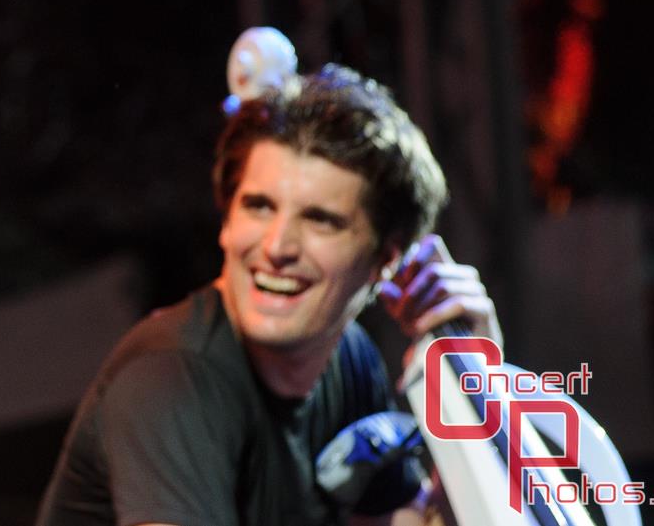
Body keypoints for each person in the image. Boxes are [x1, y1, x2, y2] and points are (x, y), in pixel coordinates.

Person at [36, 64, 502, 526]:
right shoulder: (172, 375)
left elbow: (412, 522)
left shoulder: (350, 358)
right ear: (227, 223)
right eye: (258, 207)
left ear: (386, 260)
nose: (277, 247)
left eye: (320, 219)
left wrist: (480, 386)